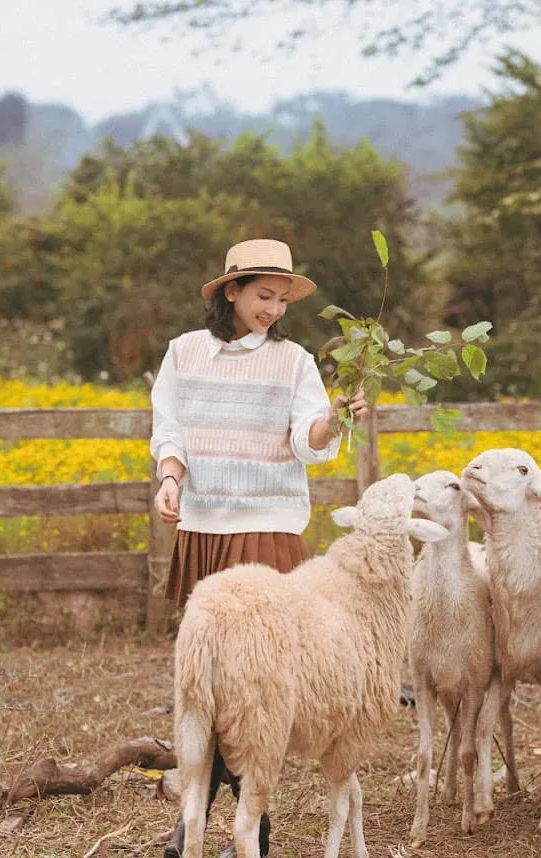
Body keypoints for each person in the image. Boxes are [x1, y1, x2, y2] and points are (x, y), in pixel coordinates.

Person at [151, 238, 366, 858]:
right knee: (207, 685)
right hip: (203, 530)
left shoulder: (293, 361)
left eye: (281, 299)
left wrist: (336, 417)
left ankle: (248, 831)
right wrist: (170, 478)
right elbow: (170, 428)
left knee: (257, 691)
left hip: (268, 529)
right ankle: (199, 829)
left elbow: (308, 439)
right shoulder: (183, 354)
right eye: (262, 296)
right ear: (231, 291)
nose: (273, 309)